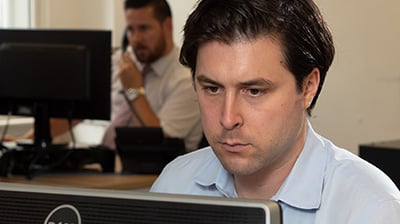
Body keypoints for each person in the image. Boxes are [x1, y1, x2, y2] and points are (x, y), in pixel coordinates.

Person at [150, 0, 400, 223]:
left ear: (308, 87)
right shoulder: (175, 184)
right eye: (212, 88)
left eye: (254, 91)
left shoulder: (370, 209)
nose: (227, 119)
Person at [5, 0, 203, 152]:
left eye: (144, 28)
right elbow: (74, 113)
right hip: (108, 164)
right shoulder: (121, 62)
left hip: (154, 174)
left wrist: (134, 91)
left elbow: (161, 144)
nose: (136, 39)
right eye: (131, 30)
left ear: (167, 26)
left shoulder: (186, 79)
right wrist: (27, 139)